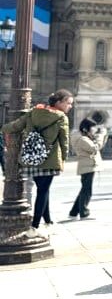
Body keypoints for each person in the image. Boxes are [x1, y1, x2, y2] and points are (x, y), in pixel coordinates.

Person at [3, 89, 74, 228]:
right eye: (68, 103)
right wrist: (63, 159)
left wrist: (3, 129)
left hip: (31, 158)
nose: (70, 106)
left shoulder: (34, 112)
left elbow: (15, 126)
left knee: (43, 189)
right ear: (59, 102)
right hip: (49, 160)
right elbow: (64, 141)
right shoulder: (61, 118)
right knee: (43, 191)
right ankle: (35, 226)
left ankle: (48, 220)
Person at [68, 117, 107, 219]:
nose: (94, 130)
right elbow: (95, 148)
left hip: (88, 166)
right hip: (87, 166)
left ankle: (73, 212)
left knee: (84, 190)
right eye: (93, 128)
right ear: (86, 128)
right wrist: (101, 136)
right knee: (87, 191)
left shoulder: (84, 137)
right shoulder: (82, 139)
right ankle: (84, 213)